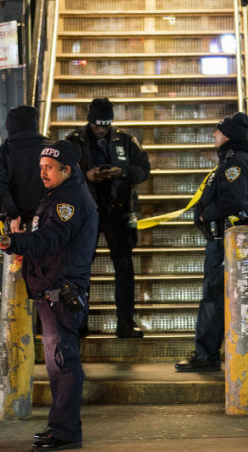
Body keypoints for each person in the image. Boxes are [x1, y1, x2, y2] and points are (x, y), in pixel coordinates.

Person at [0, 140, 97, 450]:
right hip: (52, 289)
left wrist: (17, 243)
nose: (43, 173)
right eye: (41, 167)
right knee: (57, 363)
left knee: (63, 363)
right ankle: (62, 428)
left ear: (67, 169)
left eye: (49, 168)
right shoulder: (58, 196)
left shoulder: (70, 201)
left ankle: (65, 432)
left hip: (61, 292)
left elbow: (51, 239)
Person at [175, 113, 248, 373]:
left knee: (213, 298)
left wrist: (204, 214)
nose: (214, 136)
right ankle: (209, 352)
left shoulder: (235, 163)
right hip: (225, 241)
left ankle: (207, 354)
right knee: (216, 298)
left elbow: (233, 200)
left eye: (218, 132)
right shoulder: (231, 160)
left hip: (226, 242)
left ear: (228, 136)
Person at [66, 97, 150, 338]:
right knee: (80, 268)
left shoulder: (125, 139)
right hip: (85, 213)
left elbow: (144, 168)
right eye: (96, 124)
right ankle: (79, 323)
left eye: (105, 124)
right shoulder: (75, 141)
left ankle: (125, 322)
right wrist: (85, 175)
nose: (100, 129)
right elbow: (58, 170)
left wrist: (122, 172)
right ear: (89, 121)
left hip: (118, 211)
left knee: (124, 267)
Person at [0, 105, 51, 233]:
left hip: (17, 226)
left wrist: (12, 214)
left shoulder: (1, 154)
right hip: (51, 222)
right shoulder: (54, 151)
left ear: (10, 127)